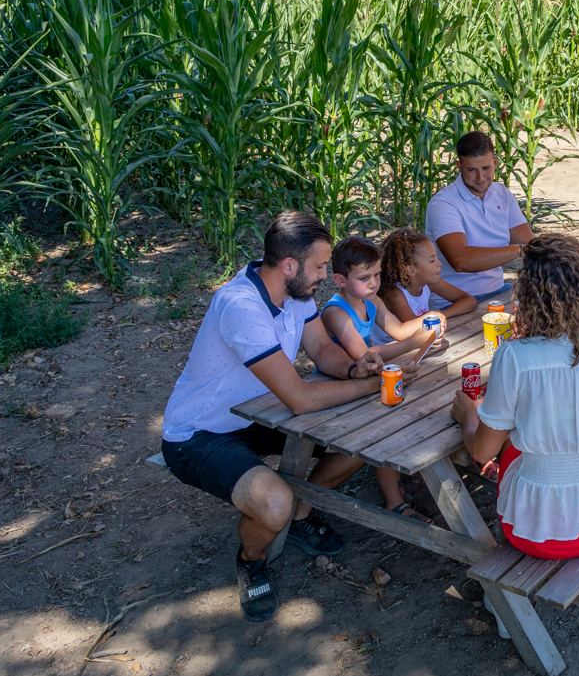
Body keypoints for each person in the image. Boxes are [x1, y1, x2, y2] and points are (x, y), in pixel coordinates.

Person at [161, 212, 415, 623]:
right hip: (200, 433)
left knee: (366, 438)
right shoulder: (240, 305)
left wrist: (357, 369)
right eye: (319, 266)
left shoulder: (297, 294)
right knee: (272, 501)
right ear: (289, 265)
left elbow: (324, 352)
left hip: (259, 413)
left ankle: (299, 514)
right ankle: (252, 559)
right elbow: (298, 398)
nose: (325, 274)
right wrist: (373, 384)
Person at [451, 233, 579, 567]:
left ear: (528, 296)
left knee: (511, 445)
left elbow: (482, 452)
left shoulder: (515, 356)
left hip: (539, 531)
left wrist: (469, 415)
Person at [320, 235, 441, 522]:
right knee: (387, 419)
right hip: (339, 385)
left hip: (368, 379)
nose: (374, 283)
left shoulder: (371, 299)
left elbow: (399, 331)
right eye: (365, 277)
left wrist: (431, 327)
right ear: (339, 279)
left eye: (376, 274)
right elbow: (362, 355)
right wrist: (415, 342)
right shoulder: (336, 312)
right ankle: (394, 500)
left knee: (409, 402)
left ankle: (406, 475)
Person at [425, 131, 534, 308]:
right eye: (471, 170)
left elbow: (530, 242)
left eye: (486, 168)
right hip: (454, 303)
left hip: (498, 291)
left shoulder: (502, 194)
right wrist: (519, 250)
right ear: (459, 166)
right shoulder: (443, 203)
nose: (480, 177)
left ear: (496, 162)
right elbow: (461, 261)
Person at [374, 227, 477, 342]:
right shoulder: (395, 294)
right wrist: (435, 317)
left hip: (414, 343)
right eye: (432, 260)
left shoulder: (430, 283)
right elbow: (414, 330)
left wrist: (442, 314)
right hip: (392, 349)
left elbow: (470, 301)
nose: (439, 263)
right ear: (411, 270)